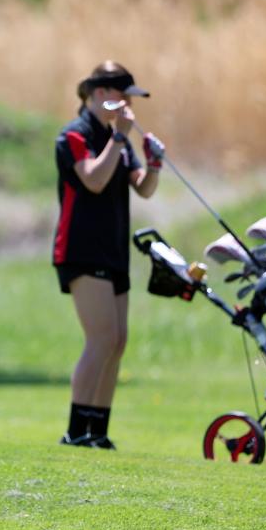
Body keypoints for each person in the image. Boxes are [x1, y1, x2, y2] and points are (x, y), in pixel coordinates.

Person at [52, 61, 165, 449]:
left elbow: (143, 187)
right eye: (122, 97)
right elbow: (94, 180)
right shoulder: (74, 135)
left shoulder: (117, 137)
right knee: (100, 337)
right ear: (100, 95)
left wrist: (153, 163)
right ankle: (76, 430)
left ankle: (97, 430)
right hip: (81, 249)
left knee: (117, 340)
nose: (129, 107)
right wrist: (119, 140)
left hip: (114, 247)